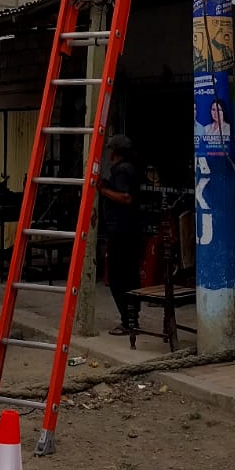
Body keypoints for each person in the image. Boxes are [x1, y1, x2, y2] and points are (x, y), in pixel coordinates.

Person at [99, 133, 143, 336]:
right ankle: (132, 318)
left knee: (118, 277)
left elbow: (126, 197)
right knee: (130, 275)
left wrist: (102, 190)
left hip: (121, 231)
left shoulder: (122, 170)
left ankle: (128, 320)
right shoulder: (130, 168)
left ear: (114, 152)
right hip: (129, 230)